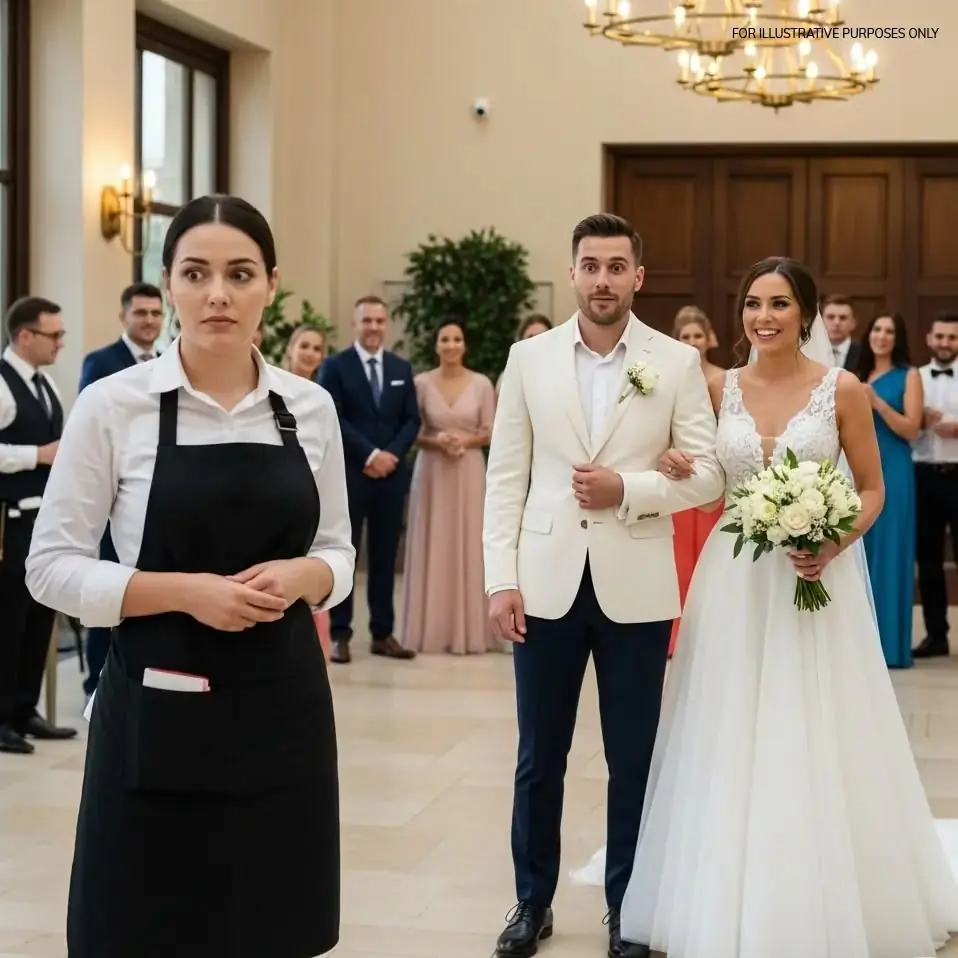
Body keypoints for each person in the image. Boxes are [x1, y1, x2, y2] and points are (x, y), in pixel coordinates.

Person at [584, 257, 958, 958]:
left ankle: (820, 890)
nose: (764, 316)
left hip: (814, 577)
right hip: (733, 577)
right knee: (724, 724)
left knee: (814, 722)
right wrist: (677, 468)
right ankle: (721, 887)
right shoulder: (717, 385)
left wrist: (830, 541)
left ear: (805, 314)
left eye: (780, 304)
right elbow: (705, 474)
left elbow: (872, 490)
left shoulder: (841, 390)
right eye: (754, 303)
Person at [25, 194, 355, 958]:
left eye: (239, 274)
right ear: (166, 283)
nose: (218, 294)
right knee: (147, 921)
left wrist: (307, 575)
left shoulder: (309, 407)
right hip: (157, 708)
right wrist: (184, 591)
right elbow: (50, 566)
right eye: (196, 273)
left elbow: (338, 549)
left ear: (271, 284)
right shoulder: (113, 406)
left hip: (284, 704)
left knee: (274, 918)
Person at [483, 213, 725, 958]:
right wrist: (501, 580)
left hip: (638, 586)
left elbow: (710, 473)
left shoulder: (676, 364)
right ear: (573, 272)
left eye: (617, 266)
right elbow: (506, 478)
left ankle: (631, 908)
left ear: (638, 277)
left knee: (634, 758)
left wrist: (633, 487)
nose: (602, 280)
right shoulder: (529, 359)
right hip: (547, 583)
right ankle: (532, 902)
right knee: (538, 757)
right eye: (590, 265)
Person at [318, 295, 420, 664]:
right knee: (348, 554)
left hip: (391, 478)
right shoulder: (335, 366)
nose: (373, 327)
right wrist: (369, 455)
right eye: (367, 321)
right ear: (355, 324)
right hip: (351, 475)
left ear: (386, 325)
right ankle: (340, 634)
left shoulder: (400, 368)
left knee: (384, 557)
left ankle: (383, 633)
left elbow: (412, 419)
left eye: (379, 321)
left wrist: (390, 454)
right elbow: (333, 416)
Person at [78, 282, 165, 699]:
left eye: (155, 313)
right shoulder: (101, 363)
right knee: (112, 586)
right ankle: (99, 680)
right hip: (117, 494)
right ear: (123, 316)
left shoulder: (168, 363)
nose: (149, 320)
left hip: (159, 494)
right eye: (141, 313)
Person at [0, 296, 76, 754]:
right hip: (7, 522)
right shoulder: (2, 383)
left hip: (41, 518)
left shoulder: (46, 384)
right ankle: (2, 716)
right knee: (7, 620)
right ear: (25, 335)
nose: (61, 343)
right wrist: (37, 455)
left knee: (37, 615)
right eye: (55, 334)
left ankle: (26, 709)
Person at [400, 319, 496, 654]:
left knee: (471, 541)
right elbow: (410, 431)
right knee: (434, 539)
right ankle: (432, 627)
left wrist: (466, 441)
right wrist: (436, 440)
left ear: (465, 345)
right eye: (445, 339)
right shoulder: (421, 383)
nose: (452, 345)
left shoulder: (482, 383)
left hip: (469, 470)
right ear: (436, 345)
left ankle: (471, 630)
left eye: (457, 339)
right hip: (432, 471)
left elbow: (491, 430)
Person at [855, 311, 922, 668]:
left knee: (890, 553)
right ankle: (858, 645)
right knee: (860, 551)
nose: (882, 335)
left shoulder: (909, 376)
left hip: (894, 468)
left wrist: (877, 402)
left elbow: (912, 428)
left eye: (889, 331)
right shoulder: (855, 376)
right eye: (877, 328)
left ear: (898, 338)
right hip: (855, 469)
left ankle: (890, 647)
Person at [668, 305, 725, 656]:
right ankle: (675, 636)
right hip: (676, 478)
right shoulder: (671, 376)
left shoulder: (722, 378)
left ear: (709, 339)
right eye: (685, 336)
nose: (692, 342)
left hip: (710, 481)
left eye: (697, 336)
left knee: (709, 561)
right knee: (677, 563)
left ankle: (709, 637)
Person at [913, 311, 958, 658]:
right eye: (940, 337)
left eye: (952, 338)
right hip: (923, 475)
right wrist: (919, 420)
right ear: (929, 339)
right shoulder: (916, 379)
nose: (945, 343)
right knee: (927, 560)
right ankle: (936, 635)